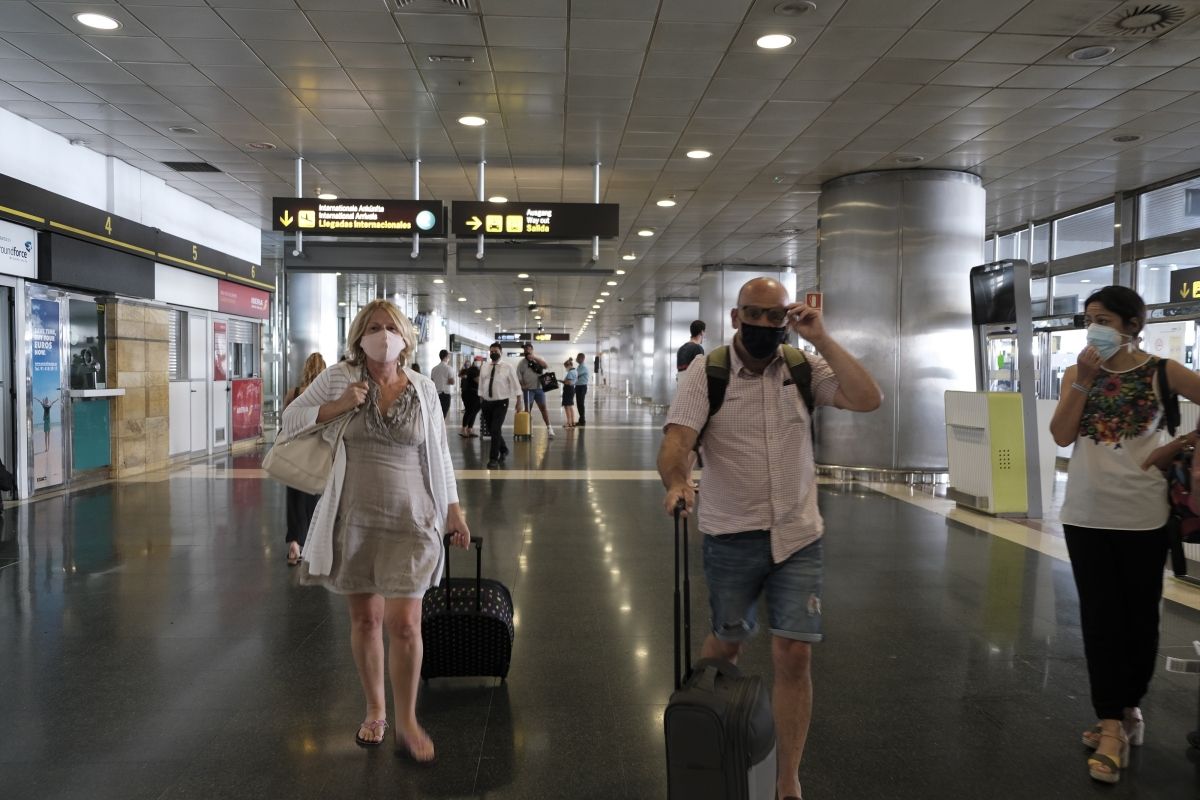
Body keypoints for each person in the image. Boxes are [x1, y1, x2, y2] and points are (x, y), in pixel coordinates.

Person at [657, 277, 882, 800]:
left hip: (798, 535)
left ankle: (787, 780)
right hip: (731, 533)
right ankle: (710, 739)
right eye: (753, 314)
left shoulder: (803, 367)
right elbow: (678, 441)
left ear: (787, 319)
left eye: (774, 316)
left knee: (794, 654)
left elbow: (868, 398)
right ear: (735, 317)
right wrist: (676, 482)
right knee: (727, 644)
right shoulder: (706, 372)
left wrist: (821, 337)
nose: (763, 324)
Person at [281, 299, 471, 763]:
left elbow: (439, 453)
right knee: (366, 620)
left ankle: (407, 719)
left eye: (391, 327)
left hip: (413, 518)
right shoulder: (339, 378)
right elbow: (290, 419)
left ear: (405, 337)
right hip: (356, 518)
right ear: (358, 336)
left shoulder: (423, 388)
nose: (383, 335)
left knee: (404, 624)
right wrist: (338, 406)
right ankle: (375, 710)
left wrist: (454, 510)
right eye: (373, 327)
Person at [1049, 286, 1200, 784]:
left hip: (1143, 515)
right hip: (1085, 513)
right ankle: (1111, 723)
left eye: (1105, 320)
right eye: (1089, 319)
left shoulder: (1163, 371)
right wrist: (1083, 381)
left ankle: (1129, 708)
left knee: (1139, 621)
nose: (1094, 328)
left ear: (1133, 325)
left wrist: (1179, 445)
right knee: (1099, 620)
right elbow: (1061, 435)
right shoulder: (1078, 373)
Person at [283, 352, 327, 566]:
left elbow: (285, 421)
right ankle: (309, 545)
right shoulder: (326, 396)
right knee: (312, 500)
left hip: (294, 453)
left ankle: (294, 543)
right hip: (316, 453)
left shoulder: (294, 393)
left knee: (293, 500)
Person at [478, 342, 522, 469]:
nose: (493, 353)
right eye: (491, 351)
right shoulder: (484, 366)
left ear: (501, 352)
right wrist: (481, 398)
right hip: (486, 402)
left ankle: (493, 459)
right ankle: (503, 449)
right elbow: (481, 383)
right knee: (492, 429)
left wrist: (519, 401)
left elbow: (516, 385)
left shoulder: (508, 367)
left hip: (501, 402)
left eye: (496, 351)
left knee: (495, 429)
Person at [516, 342, 555, 438]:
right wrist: (522, 385)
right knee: (527, 410)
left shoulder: (538, 359)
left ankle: (549, 428)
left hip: (539, 389)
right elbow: (519, 376)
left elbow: (545, 366)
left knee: (543, 409)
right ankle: (528, 429)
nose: (526, 351)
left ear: (532, 350)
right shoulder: (521, 363)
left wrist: (534, 358)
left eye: (528, 349)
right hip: (528, 390)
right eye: (525, 350)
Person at [459, 355, 482, 438]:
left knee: (474, 412)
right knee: (469, 411)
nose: (478, 362)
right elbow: (478, 381)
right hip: (469, 394)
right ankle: (463, 429)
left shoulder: (478, 369)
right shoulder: (473, 370)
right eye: (477, 360)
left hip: (475, 394)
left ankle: (470, 429)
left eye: (479, 361)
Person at [430, 349, 455, 420]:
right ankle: (440, 426)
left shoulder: (434, 369)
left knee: (437, 413)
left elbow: (432, 381)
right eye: (448, 356)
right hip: (445, 394)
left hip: (436, 394)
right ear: (446, 357)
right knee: (443, 414)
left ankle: (437, 425)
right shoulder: (449, 368)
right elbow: (452, 382)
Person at [574, 352, 590, 426]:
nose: (576, 359)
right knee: (579, 404)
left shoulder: (583, 367)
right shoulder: (579, 366)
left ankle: (582, 421)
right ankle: (581, 420)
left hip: (582, 387)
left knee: (580, 404)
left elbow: (575, 375)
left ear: (582, 358)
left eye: (578, 358)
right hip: (578, 386)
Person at [561, 358, 578, 429]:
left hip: (568, 390)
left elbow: (569, 382)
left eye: (566, 367)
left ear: (569, 365)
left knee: (567, 406)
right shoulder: (575, 371)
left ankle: (569, 423)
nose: (566, 368)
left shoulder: (571, 372)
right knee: (570, 406)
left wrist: (563, 381)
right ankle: (573, 422)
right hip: (571, 389)